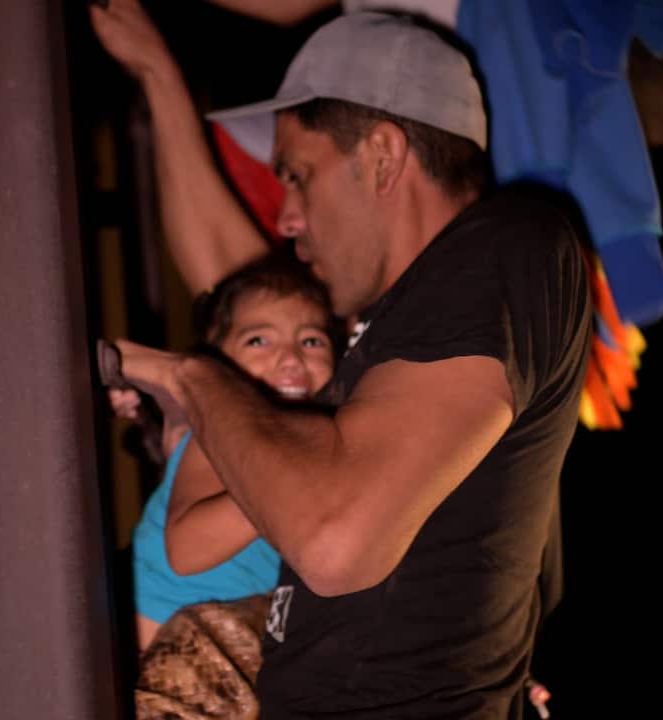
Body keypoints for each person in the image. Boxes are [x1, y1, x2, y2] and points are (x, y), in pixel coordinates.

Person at [106, 11, 593, 718]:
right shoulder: (383, 334)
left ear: (382, 156)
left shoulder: (504, 247)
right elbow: (235, 284)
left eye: (298, 177)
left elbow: (335, 541)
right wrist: (157, 73)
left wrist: (191, 376)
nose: (286, 217)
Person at [123, 252, 341, 651]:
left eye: (312, 340)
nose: (291, 358)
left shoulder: (317, 438)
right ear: (216, 365)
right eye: (259, 340)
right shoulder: (218, 437)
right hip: (151, 637)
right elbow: (186, 551)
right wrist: (291, 478)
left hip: (220, 645)